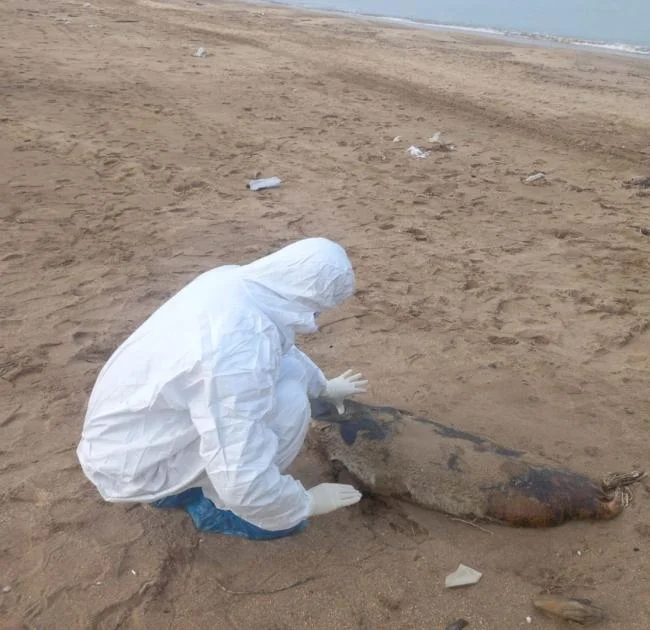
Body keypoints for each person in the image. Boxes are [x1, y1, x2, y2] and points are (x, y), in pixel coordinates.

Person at [76, 237, 368, 540]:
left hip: (131, 435)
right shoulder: (238, 353)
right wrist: (303, 504)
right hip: (135, 467)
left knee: (285, 379)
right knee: (291, 402)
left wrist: (321, 386)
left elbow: (280, 352)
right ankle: (223, 509)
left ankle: (180, 488)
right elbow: (239, 471)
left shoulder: (235, 284)